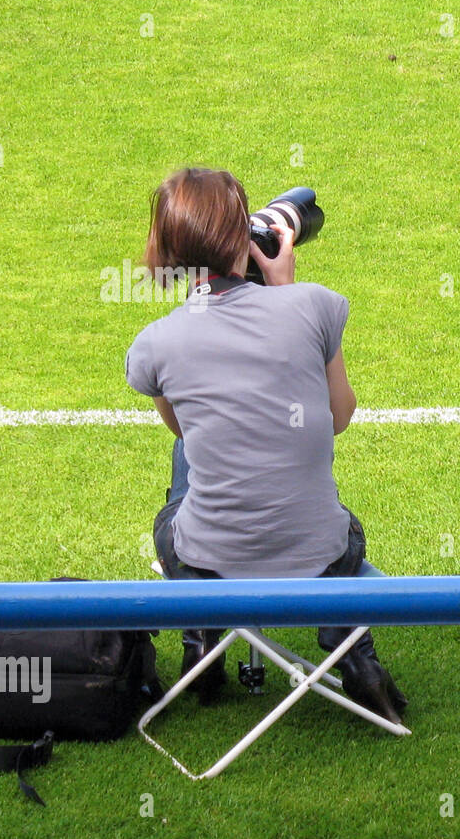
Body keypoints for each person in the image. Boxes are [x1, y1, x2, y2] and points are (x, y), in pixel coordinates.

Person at [125, 167, 407, 723]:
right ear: (244, 240)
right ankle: (358, 659)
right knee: (324, 510)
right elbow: (339, 417)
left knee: (187, 464)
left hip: (209, 567)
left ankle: (201, 641)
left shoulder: (154, 344)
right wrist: (287, 291)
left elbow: (183, 430)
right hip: (323, 561)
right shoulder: (314, 305)